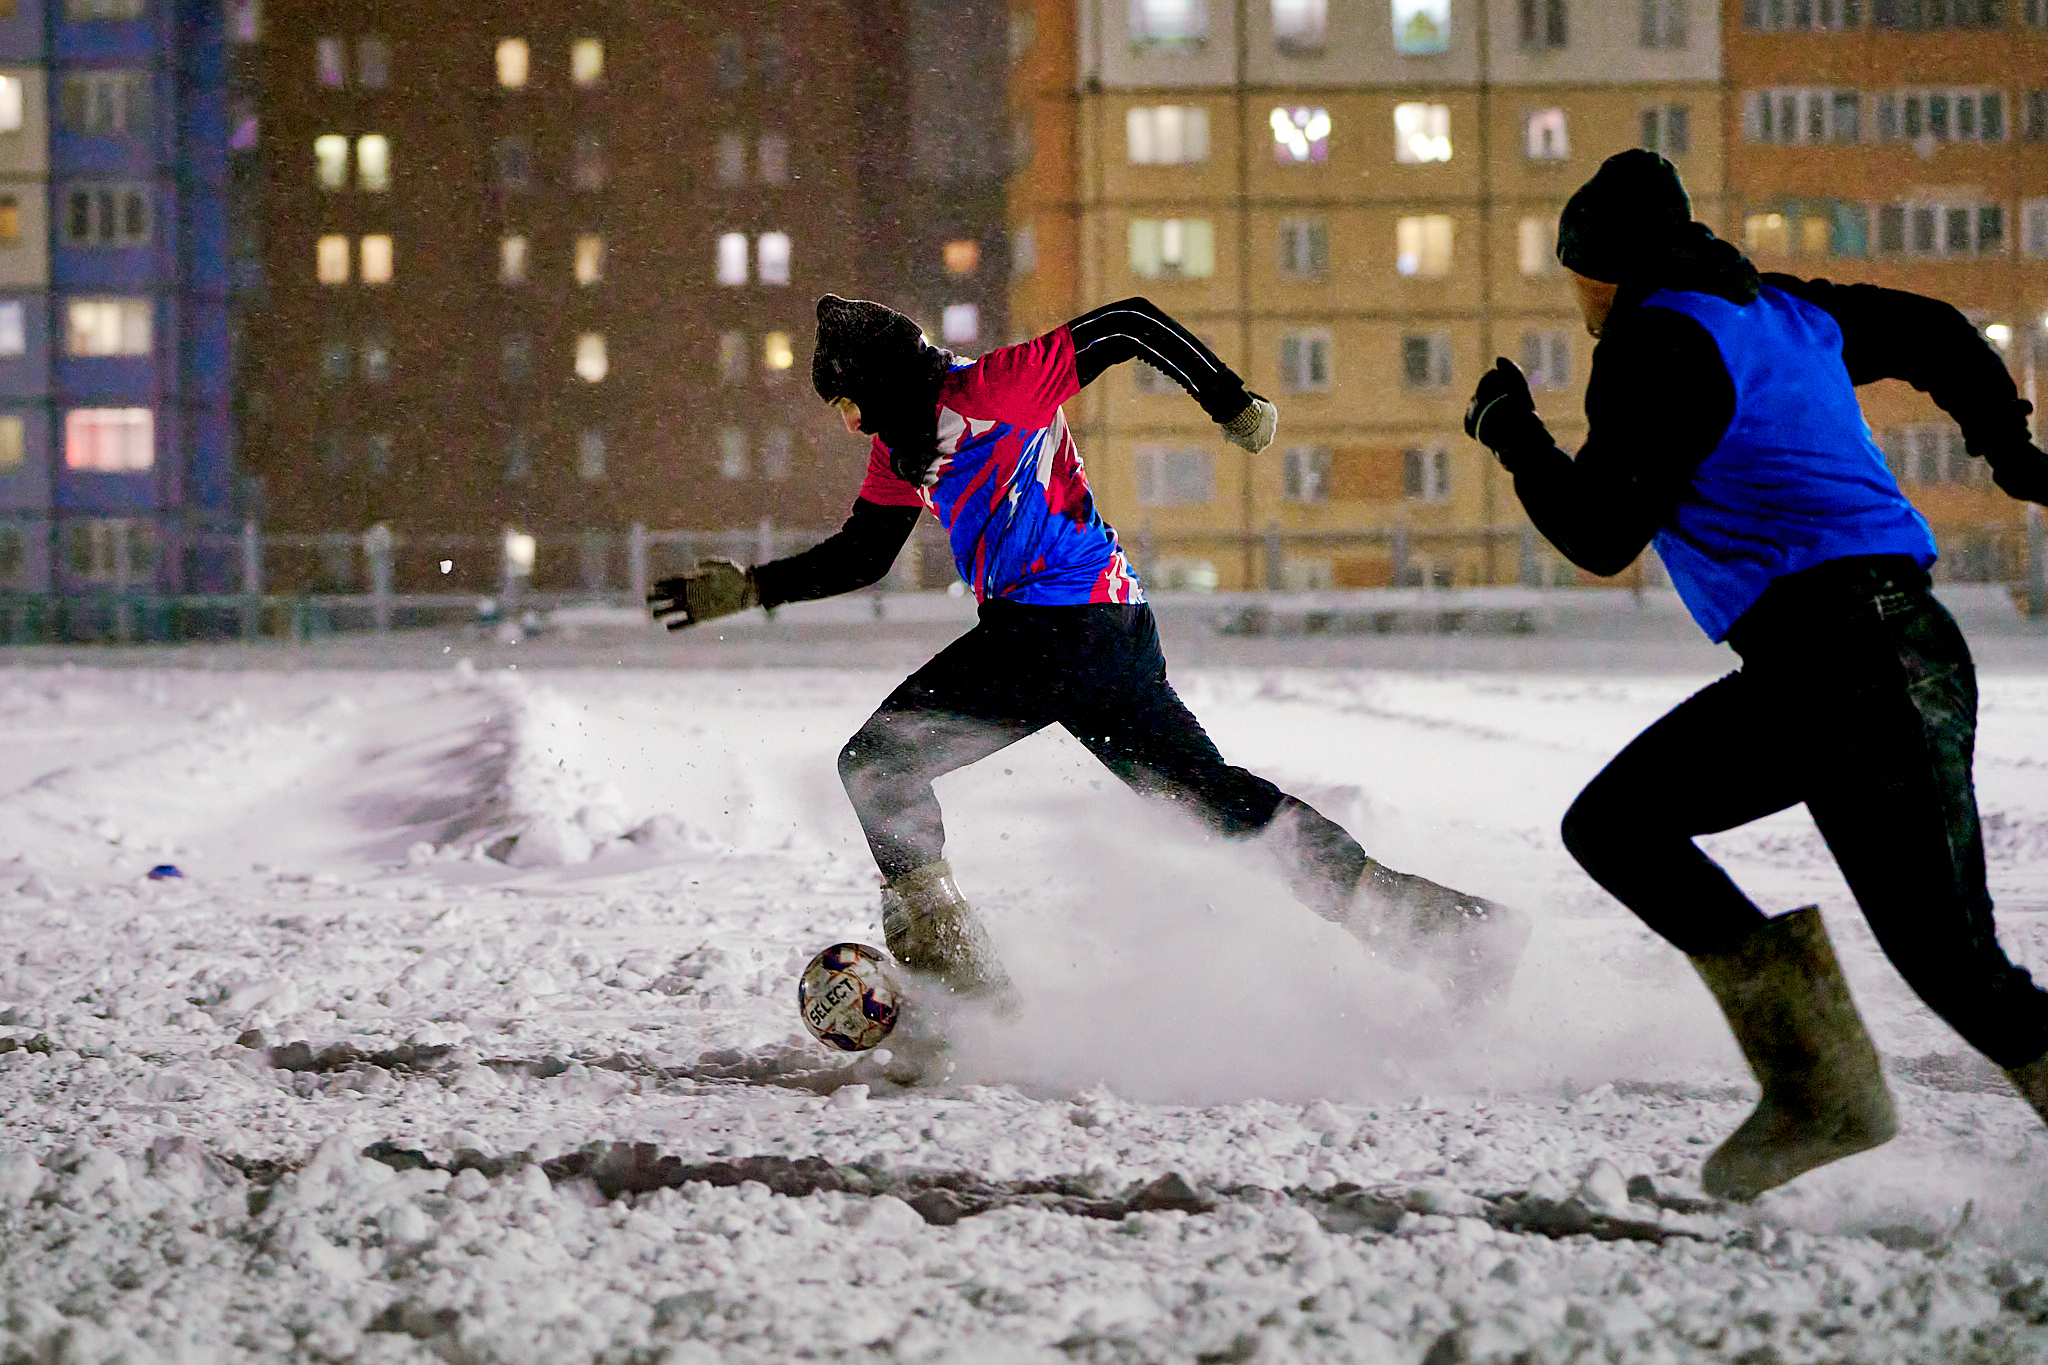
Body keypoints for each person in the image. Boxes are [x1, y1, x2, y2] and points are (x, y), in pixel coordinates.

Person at [651, 293, 1529, 1041]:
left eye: (848, 401)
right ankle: (1445, 932)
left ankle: (972, 1007)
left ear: (880, 383)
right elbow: (865, 553)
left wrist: (1226, 399)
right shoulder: (903, 445)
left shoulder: (994, 385)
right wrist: (755, 587)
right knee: (1213, 804)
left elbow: (1128, 323)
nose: (847, 423)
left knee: (878, 764)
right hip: (1102, 632)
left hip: (1058, 630)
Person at [1464, 149, 2048, 1200]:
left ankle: (1821, 1085)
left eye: (1577, 277)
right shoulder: (1781, 310)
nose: (1578, 300)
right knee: (1627, 830)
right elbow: (1935, 331)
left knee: (1956, 968)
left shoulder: (1654, 341)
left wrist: (1512, 437)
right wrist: (2002, 449)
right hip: (1876, 651)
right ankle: (1817, 1084)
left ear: (1607, 269)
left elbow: (1599, 535)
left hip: (1844, 660)